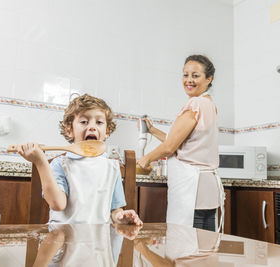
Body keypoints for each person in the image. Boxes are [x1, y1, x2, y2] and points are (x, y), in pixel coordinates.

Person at [18, 94, 143, 225]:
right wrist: (40, 162)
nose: (92, 127)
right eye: (84, 122)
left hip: (98, 242)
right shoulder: (60, 164)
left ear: (107, 131)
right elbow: (58, 204)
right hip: (63, 239)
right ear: (69, 129)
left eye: (99, 122)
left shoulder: (113, 167)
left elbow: (115, 210)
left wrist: (121, 217)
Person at [137, 55, 224, 232]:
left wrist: (144, 160)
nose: (189, 80)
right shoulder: (209, 104)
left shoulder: (195, 104)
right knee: (204, 250)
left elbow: (170, 147)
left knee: (186, 250)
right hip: (207, 190)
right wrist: (152, 130)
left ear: (209, 79)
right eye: (185, 75)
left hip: (191, 190)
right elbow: (180, 142)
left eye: (195, 75)